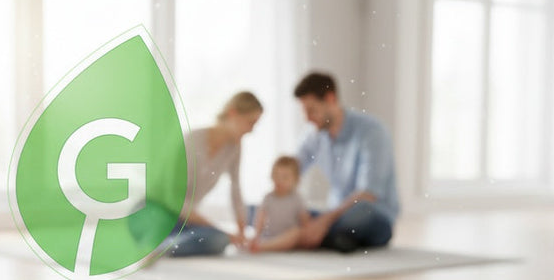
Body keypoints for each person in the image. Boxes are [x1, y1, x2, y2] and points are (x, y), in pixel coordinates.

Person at [132, 91, 262, 257]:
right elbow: (175, 202)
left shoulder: (234, 148)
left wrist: (241, 233)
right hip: (153, 211)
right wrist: (216, 227)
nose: (251, 130)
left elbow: (235, 190)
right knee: (213, 232)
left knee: (219, 239)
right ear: (232, 113)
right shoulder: (190, 141)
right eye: (250, 122)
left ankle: (162, 247)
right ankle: (156, 242)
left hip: (183, 221)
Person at [293, 72, 399, 252]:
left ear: (330, 99)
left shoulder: (372, 131)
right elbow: (292, 170)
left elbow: (368, 194)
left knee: (359, 216)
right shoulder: (315, 136)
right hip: (335, 214)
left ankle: (319, 235)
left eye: (311, 110)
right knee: (270, 212)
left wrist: (323, 222)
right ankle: (335, 239)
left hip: (371, 214)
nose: (307, 118)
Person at [248, 155, 363, 253]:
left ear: (296, 180)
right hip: (270, 235)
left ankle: (264, 247)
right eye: (276, 176)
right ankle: (263, 245)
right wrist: (256, 235)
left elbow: (305, 220)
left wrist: (308, 234)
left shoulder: (297, 199)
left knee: (296, 232)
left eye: (285, 177)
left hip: (288, 235)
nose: (279, 181)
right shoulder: (268, 198)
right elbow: (260, 218)